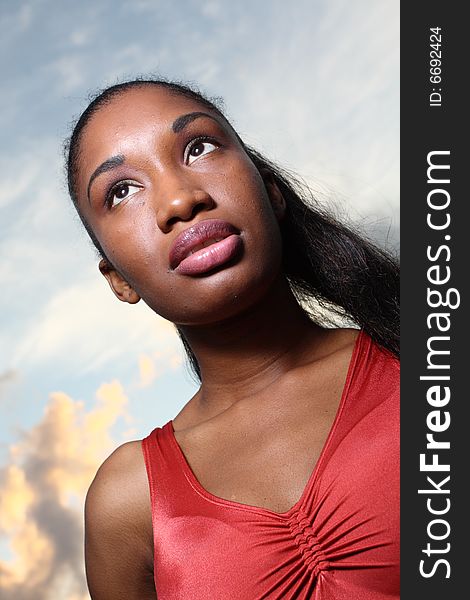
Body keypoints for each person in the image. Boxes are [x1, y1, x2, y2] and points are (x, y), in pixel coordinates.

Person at [65, 78, 399, 599]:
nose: (179, 200)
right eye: (121, 191)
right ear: (118, 279)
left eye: (198, 148)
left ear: (270, 189)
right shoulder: (128, 503)